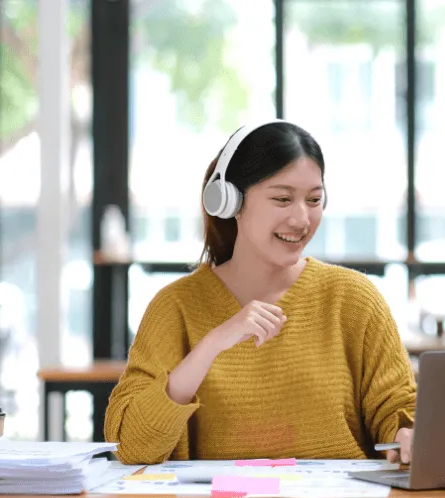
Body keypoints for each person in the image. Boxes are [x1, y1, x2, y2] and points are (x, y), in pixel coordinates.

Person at [104, 119, 417, 466]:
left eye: (314, 200)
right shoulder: (175, 306)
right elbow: (130, 445)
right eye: (282, 199)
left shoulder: (354, 299)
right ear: (229, 201)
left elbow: (399, 410)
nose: (302, 219)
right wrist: (212, 344)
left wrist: (406, 436)